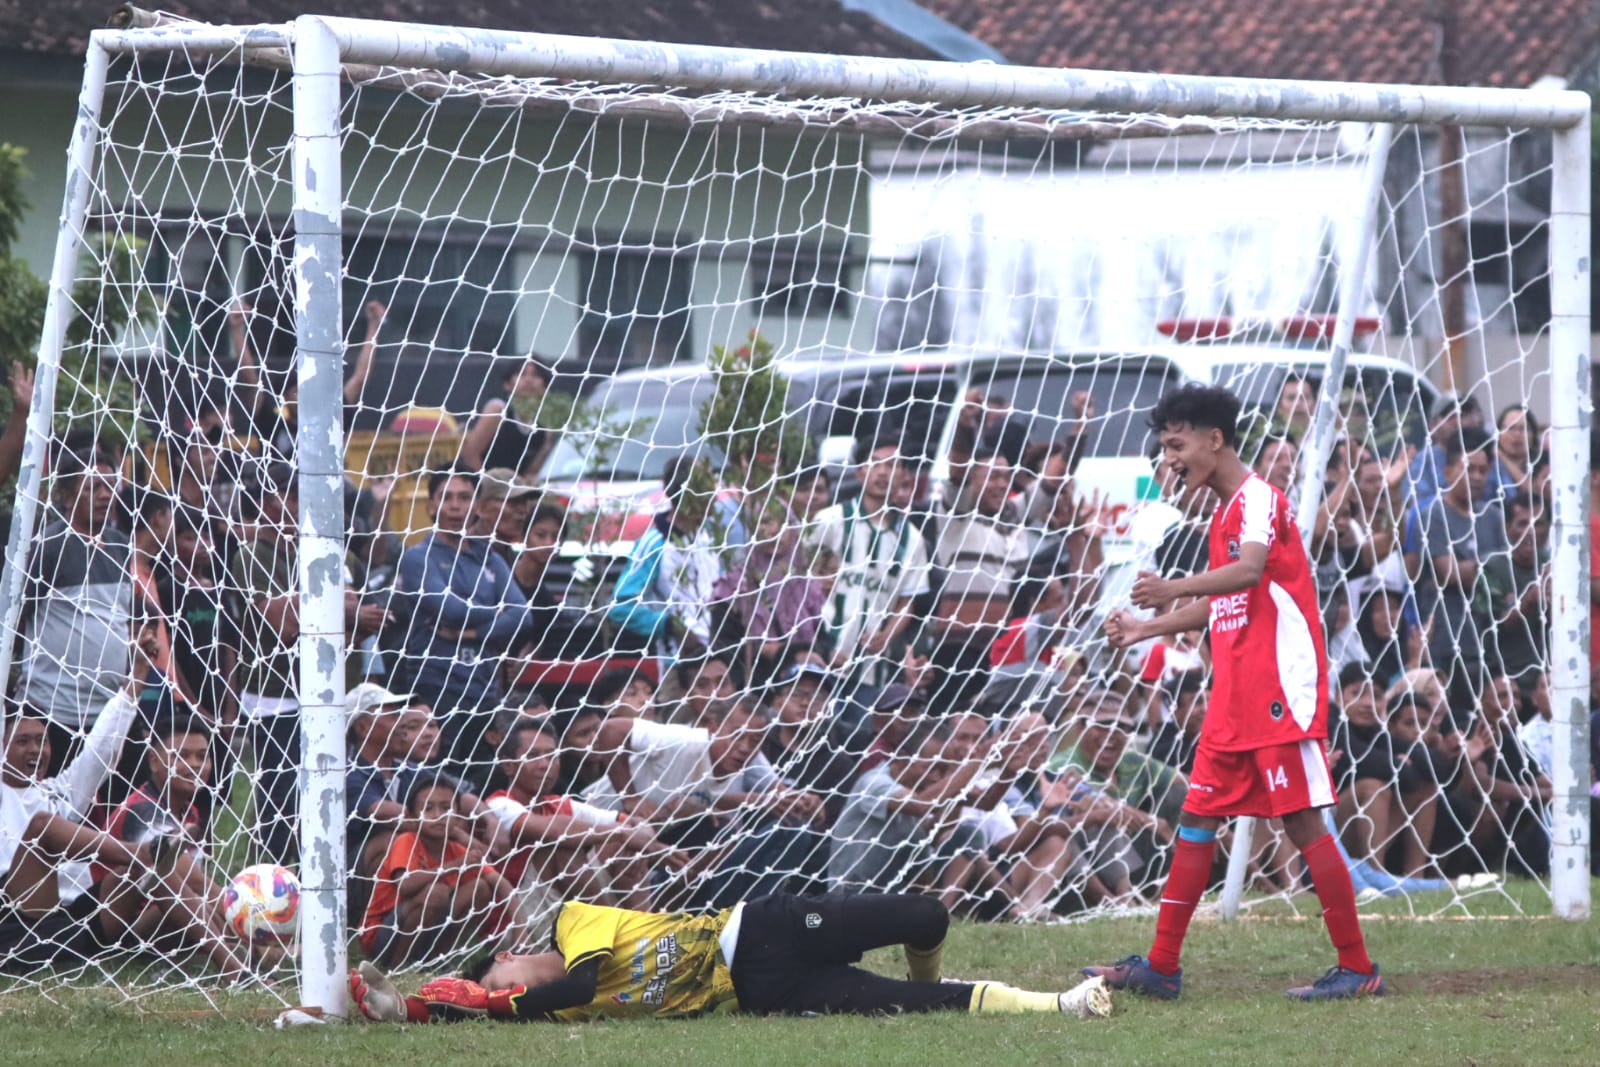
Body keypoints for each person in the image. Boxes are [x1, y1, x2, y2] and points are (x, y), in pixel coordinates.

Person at [1085, 383, 1385, 1001]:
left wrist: (1168, 590)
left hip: (1277, 686)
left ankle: (1358, 969)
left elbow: (1249, 571)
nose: (1169, 458)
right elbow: (1223, 599)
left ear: (1214, 439)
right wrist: (1148, 626)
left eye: (1176, 444)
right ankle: (1162, 967)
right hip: (1234, 693)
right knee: (1196, 818)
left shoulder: (1257, 500)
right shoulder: (1222, 512)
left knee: (1302, 822)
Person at [350, 890, 1114, 1024]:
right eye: (501, 989)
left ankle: (935, 967)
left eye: (501, 979)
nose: (508, 987)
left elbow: (573, 983)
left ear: (514, 957)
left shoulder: (575, 923)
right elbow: (514, 1011)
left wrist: (488, 1000)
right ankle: (1060, 1004)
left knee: (926, 914)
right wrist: (412, 1007)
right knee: (917, 1008)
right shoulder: (541, 1011)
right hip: (768, 993)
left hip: (762, 929)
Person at [392, 467, 540, 768]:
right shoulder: (418, 557)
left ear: (476, 506)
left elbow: (523, 616)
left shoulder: (490, 558)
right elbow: (449, 609)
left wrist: (470, 634)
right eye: (446, 498)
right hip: (436, 688)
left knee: (485, 776)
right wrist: (497, 612)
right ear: (430, 506)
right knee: (442, 778)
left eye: (464, 497)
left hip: (485, 688)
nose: (456, 506)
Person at [17, 446, 134, 768]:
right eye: (93, 488)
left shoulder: (122, 545)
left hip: (109, 711)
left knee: (109, 809)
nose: (104, 495)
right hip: (53, 709)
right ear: (68, 496)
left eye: (110, 486)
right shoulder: (46, 547)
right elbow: (15, 621)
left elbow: (125, 615)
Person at [807, 437, 932, 694]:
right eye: (875, 464)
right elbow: (801, 577)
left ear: (905, 476)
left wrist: (885, 637)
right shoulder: (830, 520)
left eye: (892, 465)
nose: (883, 472)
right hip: (821, 656)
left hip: (872, 668)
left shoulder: (913, 540)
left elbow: (908, 600)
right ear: (860, 472)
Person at [359, 773, 517, 968]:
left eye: (446, 808)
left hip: (425, 929)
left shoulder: (455, 849)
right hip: (382, 935)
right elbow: (405, 885)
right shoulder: (406, 841)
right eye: (428, 809)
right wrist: (454, 866)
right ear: (411, 816)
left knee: (480, 887)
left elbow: (502, 884)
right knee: (437, 892)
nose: (439, 816)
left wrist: (521, 930)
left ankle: (439, 959)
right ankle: (397, 967)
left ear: (458, 816)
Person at [608, 453, 724, 664]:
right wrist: (671, 627)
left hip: (720, 658)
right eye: (707, 488)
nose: (715, 496)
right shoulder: (654, 543)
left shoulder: (713, 537)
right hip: (677, 664)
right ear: (688, 494)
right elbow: (621, 607)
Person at [460, 355, 557, 477]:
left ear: (545, 386)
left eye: (536, 375)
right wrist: (485, 488)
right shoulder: (498, 409)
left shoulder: (544, 421)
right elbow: (470, 454)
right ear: (507, 384)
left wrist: (547, 444)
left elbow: (530, 472)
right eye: (521, 374)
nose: (529, 380)